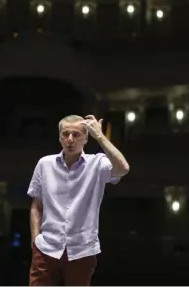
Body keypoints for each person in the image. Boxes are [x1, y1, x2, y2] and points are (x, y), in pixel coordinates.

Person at [27, 114, 130, 286]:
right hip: (46, 247)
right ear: (59, 138)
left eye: (76, 135)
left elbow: (123, 168)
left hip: (82, 250)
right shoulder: (44, 164)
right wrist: (35, 240)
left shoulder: (97, 163)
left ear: (85, 139)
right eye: (65, 134)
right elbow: (36, 206)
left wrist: (100, 135)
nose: (70, 139)